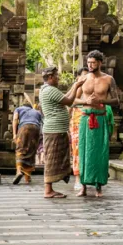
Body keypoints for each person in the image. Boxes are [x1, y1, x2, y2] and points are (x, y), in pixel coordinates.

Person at [71, 50, 118, 197]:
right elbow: (73, 100)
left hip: (100, 118)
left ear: (100, 63)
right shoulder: (83, 79)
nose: (90, 65)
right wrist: (86, 101)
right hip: (85, 118)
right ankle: (83, 187)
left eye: (93, 62)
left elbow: (116, 100)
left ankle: (99, 187)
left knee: (100, 152)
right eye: (88, 63)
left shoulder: (109, 79)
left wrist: (101, 101)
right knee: (84, 151)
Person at [38, 67, 73, 198]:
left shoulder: (48, 90)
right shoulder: (50, 90)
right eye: (57, 76)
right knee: (51, 159)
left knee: (53, 158)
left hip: (55, 130)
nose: (58, 78)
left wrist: (76, 86)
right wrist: (77, 86)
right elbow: (69, 101)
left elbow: (65, 97)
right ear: (51, 77)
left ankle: (49, 189)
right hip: (54, 130)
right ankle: (48, 190)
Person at [11, 97, 43, 185]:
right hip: (36, 129)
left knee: (20, 150)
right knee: (31, 151)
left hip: (24, 128)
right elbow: (41, 123)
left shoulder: (19, 109)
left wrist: (14, 133)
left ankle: (18, 172)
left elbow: (15, 119)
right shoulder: (36, 112)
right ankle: (27, 177)